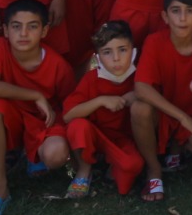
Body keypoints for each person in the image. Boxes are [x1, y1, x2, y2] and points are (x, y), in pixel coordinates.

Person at [0, 0, 75, 215]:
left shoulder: (58, 65)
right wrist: (35, 95)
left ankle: (35, 154)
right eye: (16, 26)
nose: (23, 33)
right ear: (6, 30)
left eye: (32, 26)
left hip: (43, 121)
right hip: (12, 116)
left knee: (56, 155)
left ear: (45, 30)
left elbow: (67, 106)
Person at [131, 0, 192, 200]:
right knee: (139, 108)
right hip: (163, 115)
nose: (182, 18)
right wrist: (183, 119)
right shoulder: (154, 42)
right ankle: (153, 170)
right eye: (176, 11)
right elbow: (141, 87)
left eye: (190, 11)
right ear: (164, 16)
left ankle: (178, 147)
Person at [62, 21, 145, 199]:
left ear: (133, 50)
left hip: (123, 140)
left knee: (133, 165)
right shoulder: (92, 79)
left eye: (122, 50)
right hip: (95, 134)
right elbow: (68, 115)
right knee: (78, 126)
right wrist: (100, 101)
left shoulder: (140, 76)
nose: (116, 58)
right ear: (97, 57)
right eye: (107, 52)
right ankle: (84, 171)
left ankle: (112, 164)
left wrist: (138, 95)